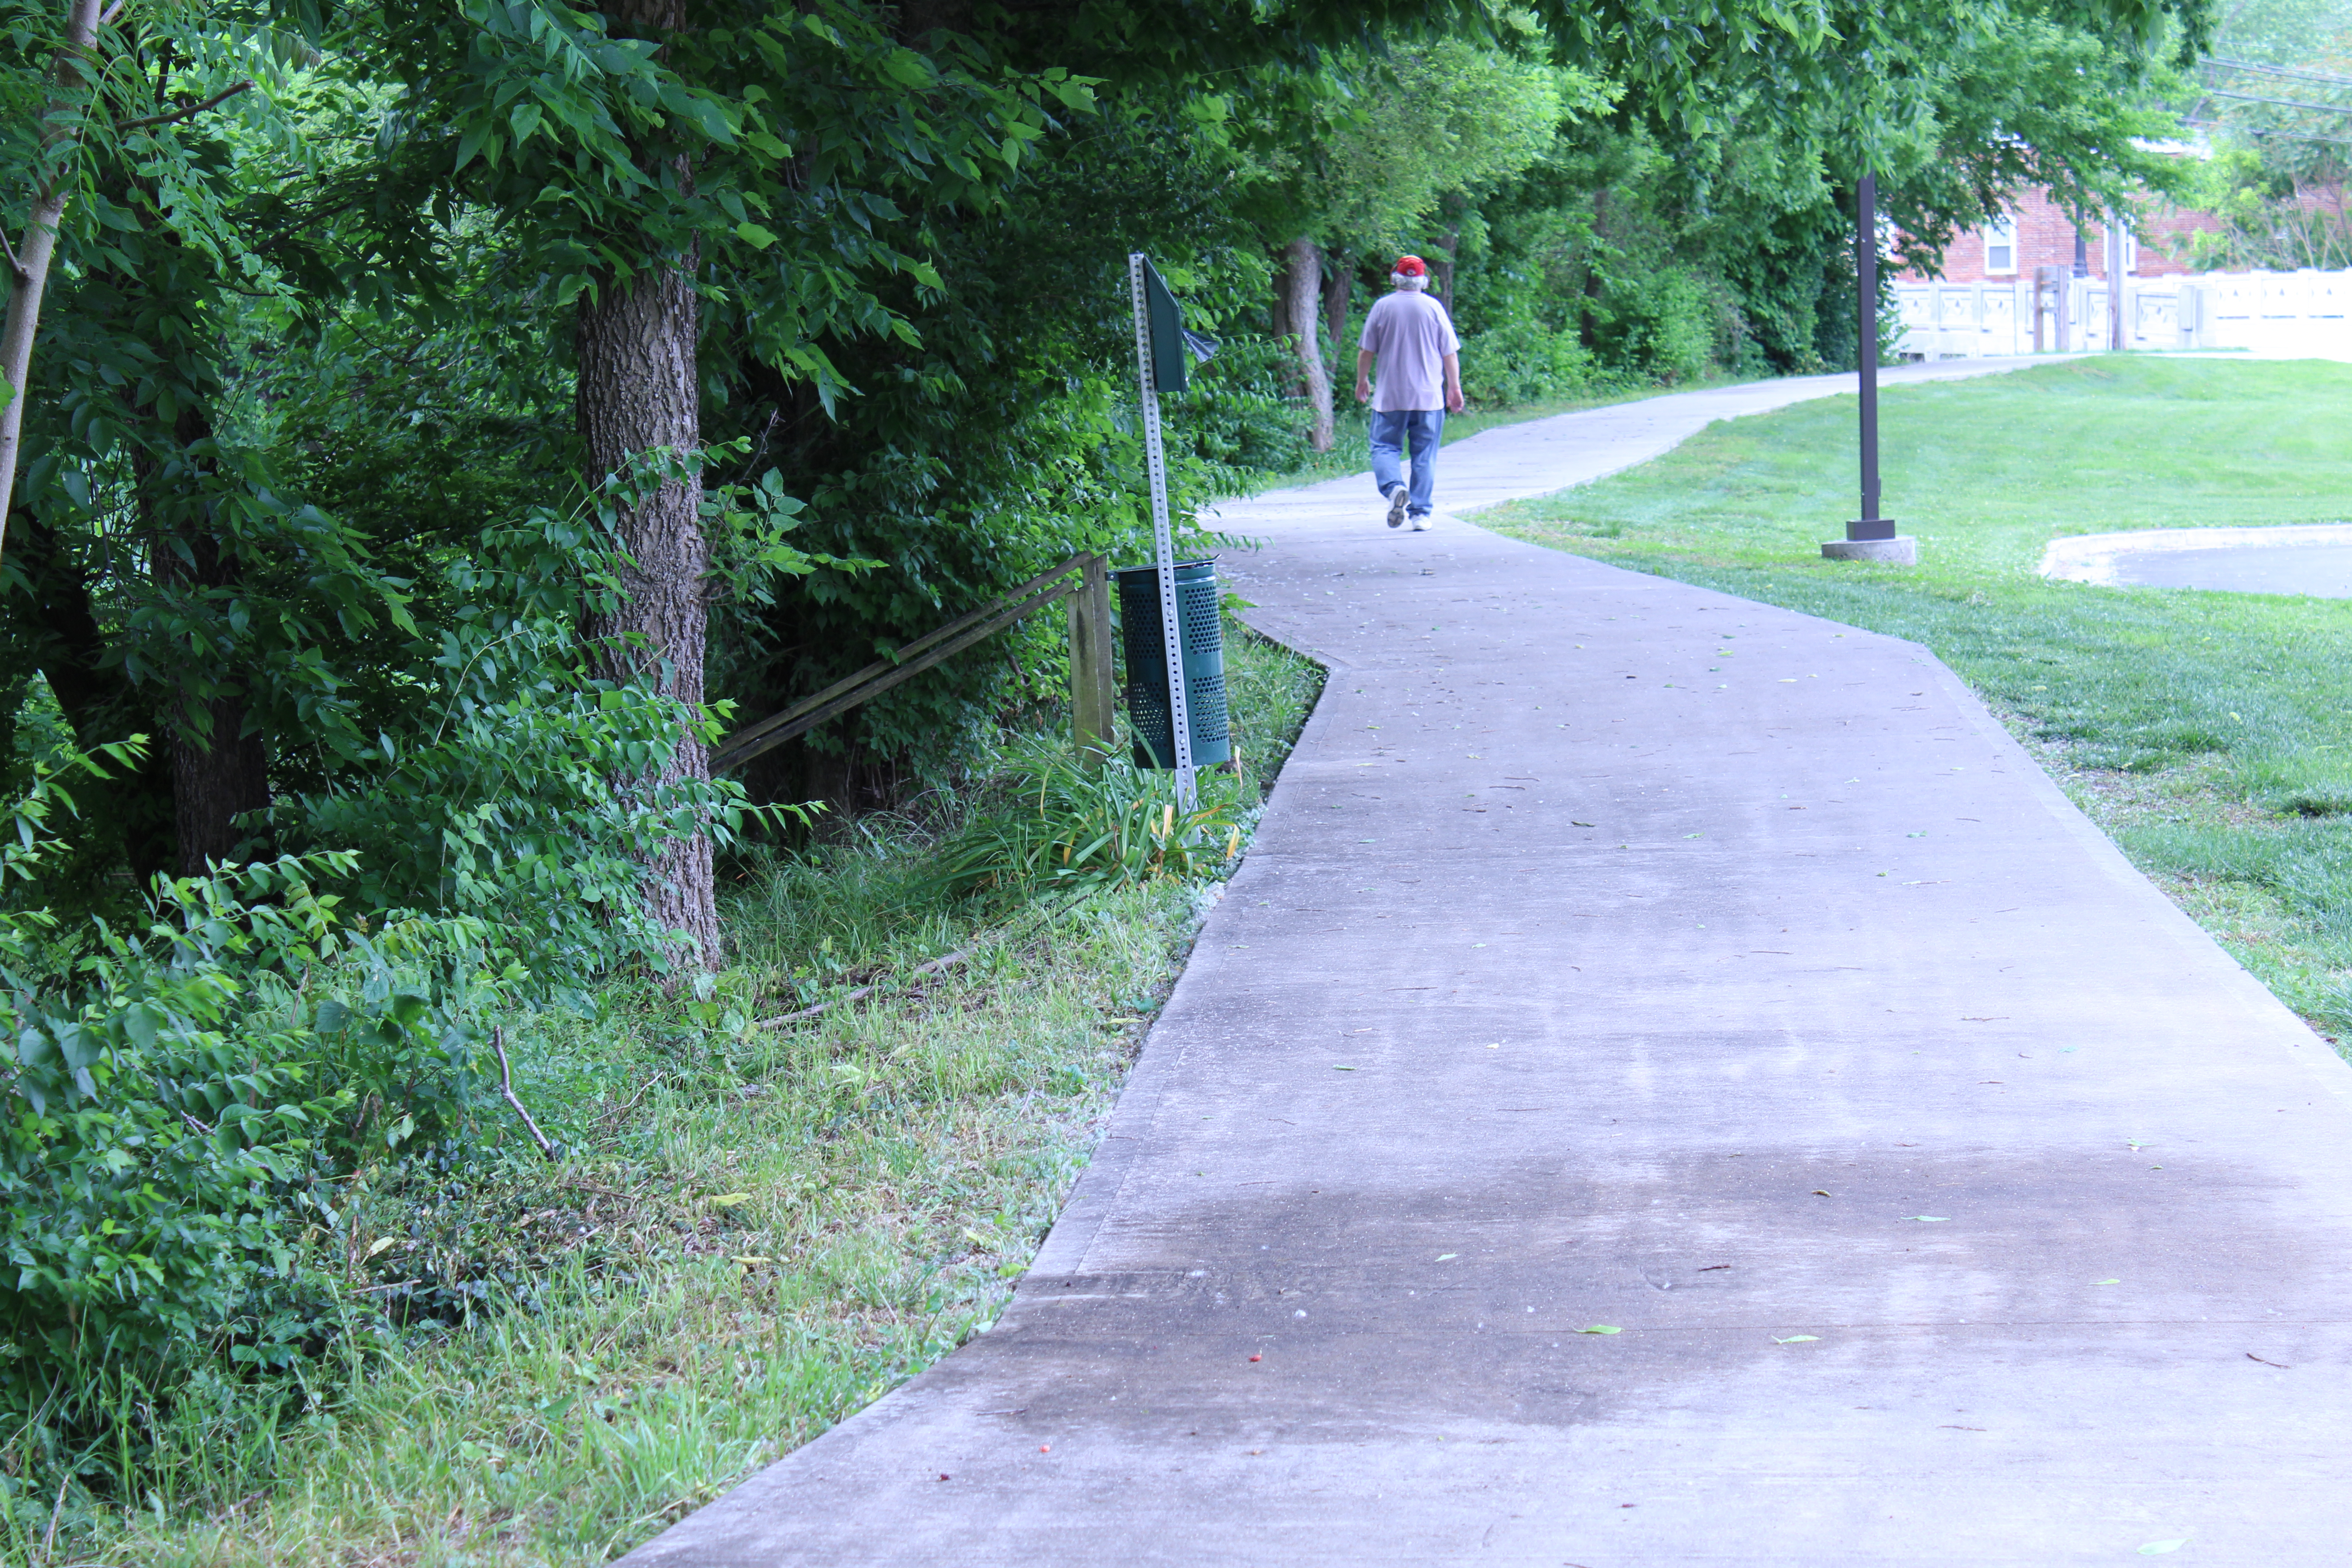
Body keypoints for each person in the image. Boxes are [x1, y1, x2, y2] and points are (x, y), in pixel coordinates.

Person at [1355, 255, 1464, 531]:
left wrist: (1362, 381)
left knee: (1384, 447)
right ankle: (1421, 515)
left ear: (1395, 278)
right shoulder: (1434, 308)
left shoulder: (1383, 307)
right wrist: (1454, 387)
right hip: (1428, 398)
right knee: (1424, 455)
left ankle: (1394, 489)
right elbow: (1449, 353)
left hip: (1390, 397)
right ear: (1423, 280)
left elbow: (1367, 350)